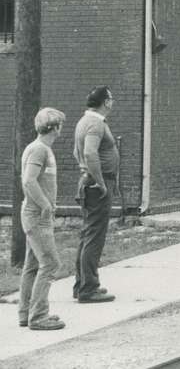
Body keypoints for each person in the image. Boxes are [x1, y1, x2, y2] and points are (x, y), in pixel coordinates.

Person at [18, 108, 67, 331]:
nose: (61, 129)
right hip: (38, 216)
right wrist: (46, 204)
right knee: (50, 263)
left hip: (34, 214)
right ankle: (38, 316)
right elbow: (29, 181)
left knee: (33, 264)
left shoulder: (39, 148)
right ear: (55, 127)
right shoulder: (39, 150)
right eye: (60, 125)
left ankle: (26, 313)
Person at [72, 86, 118, 303]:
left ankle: (82, 284)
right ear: (105, 102)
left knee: (87, 234)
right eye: (111, 98)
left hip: (89, 182)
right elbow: (90, 152)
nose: (113, 102)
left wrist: (85, 172)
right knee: (94, 236)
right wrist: (100, 182)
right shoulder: (95, 123)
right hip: (97, 185)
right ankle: (88, 288)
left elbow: (77, 152)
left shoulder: (84, 121)